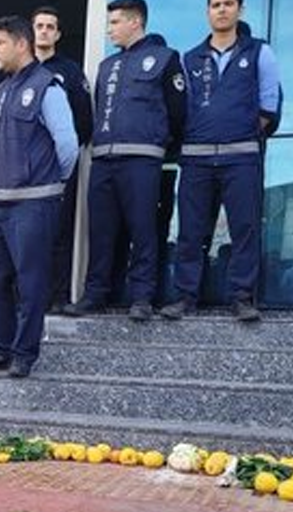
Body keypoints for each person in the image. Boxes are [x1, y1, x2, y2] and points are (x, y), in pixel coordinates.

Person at [162, 0, 281, 322]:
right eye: (215, 4)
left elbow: (269, 105)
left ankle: (241, 298)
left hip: (241, 157)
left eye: (229, 4)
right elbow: (181, 107)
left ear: (240, 10)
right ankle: (185, 297)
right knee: (190, 232)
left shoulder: (259, 52)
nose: (222, 10)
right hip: (196, 158)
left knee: (244, 229)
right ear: (208, 12)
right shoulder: (189, 58)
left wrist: (240, 133)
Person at [65, 0, 184, 322]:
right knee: (101, 231)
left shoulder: (165, 58)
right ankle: (95, 293)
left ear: (135, 22)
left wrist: (161, 145)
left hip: (143, 159)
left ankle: (142, 296)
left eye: (115, 22)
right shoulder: (107, 65)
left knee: (143, 229)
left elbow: (177, 113)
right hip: (104, 159)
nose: (109, 29)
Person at [0, 15, 78, 379]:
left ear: (21, 44)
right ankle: (1, 347)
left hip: (34, 201)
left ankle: (24, 353)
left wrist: (52, 183)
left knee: (31, 282)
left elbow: (68, 146)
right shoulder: (2, 90)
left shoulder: (48, 87)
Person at [32, 5, 93, 310]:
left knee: (58, 232)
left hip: (59, 168)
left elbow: (84, 122)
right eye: (39, 26)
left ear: (57, 34)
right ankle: (26, 296)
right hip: (23, 171)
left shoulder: (69, 71)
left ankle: (56, 296)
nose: (44, 31)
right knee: (25, 235)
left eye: (50, 27)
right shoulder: (20, 68)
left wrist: (61, 159)